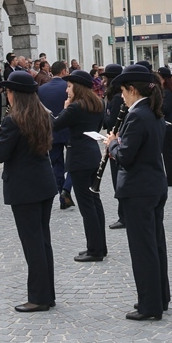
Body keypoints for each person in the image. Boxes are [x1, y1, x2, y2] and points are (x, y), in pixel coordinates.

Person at [0, 70, 58, 313]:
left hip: (24, 188)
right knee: (42, 241)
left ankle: (39, 297)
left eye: (8, 92)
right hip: (43, 183)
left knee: (33, 244)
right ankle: (47, 294)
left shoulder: (12, 121)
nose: (7, 96)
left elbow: (0, 154)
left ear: (15, 94)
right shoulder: (43, 114)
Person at [106, 64, 170, 320]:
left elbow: (126, 156)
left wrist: (112, 145)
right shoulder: (153, 112)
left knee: (143, 249)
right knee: (156, 245)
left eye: (123, 91)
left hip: (138, 190)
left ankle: (149, 305)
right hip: (154, 184)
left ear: (132, 89)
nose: (122, 96)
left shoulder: (136, 115)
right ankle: (160, 297)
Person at [53, 70, 106, 262]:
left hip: (79, 158)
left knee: (87, 206)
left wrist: (65, 108)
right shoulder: (98, 103)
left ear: (77, 87)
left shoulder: (75, 107)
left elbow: (55, 125)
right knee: (95, 202)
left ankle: (95, 249)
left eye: (69, 86)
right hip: (92, 155)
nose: (67, 90)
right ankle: (101, 246)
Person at [38, 61, 73, 210]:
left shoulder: (42, 89)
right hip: (69, 129)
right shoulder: (68, 87)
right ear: (64, 71)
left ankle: (61, 194)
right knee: (73, 162)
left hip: (51, 131)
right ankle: (67, 188)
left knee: (56, 163)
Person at [101, 63, 126, 229]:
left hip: (116, 140)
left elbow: (111, 121)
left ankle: (123, 216)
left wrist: (101, 113)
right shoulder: (114, 96)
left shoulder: (116, 98)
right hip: (114, 139)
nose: (103, 81)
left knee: (118, 178)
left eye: (105, 78)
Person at [156, 67, 172, 187]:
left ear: (164, 79)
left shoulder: (166, 92)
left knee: (168, 153)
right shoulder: (166, 90)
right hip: (168, 125)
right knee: (168, 152)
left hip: (168, 125)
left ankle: (171, 178)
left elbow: (164, 108)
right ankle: (171, 177)